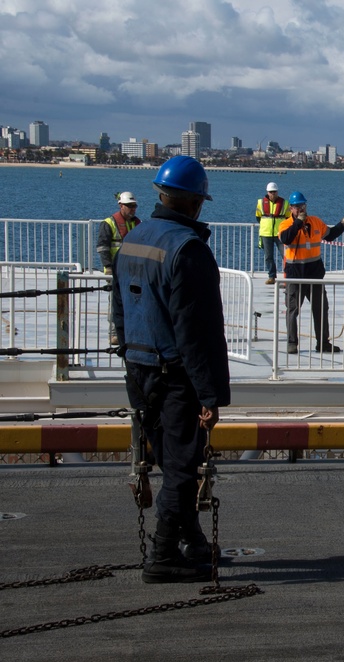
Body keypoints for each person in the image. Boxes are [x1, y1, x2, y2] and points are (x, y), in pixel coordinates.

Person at [112, 155, 228, 583]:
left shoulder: (134, 237)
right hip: (176, 374)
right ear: (196, 203)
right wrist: (210, 395)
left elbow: (120, 310)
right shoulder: (188, 249)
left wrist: (130, 359)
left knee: (167, 457)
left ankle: (193, 544)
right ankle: (163, 554)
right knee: (182, 466)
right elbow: (197, 332)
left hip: (139, 370)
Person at [278, 191, 344, 354]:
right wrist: (297, 224)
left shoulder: (315, 222)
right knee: (292, 310)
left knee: (321, 309)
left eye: (303, 206)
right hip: (295, 274)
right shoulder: (285, 224)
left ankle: (323, 343)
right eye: (297, 207)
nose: (301, 209)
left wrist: (343, 224)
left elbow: (330, 235)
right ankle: (292, 343)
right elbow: (286, 239)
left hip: (314, 273)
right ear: (291, 209)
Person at [98, 191, 141, 345]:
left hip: (133, 272)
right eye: (129, 206)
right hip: (115, 272)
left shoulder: (137, 223)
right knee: (115, 304)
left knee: (135, 302)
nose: (133, 209)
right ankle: (115, 334)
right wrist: (108, 267)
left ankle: (132, 332)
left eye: (134, 206)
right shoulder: (109, 223)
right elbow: (102, 247)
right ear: (121, 206)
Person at [255, 182, 289, 285]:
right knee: (268, 256)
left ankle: (287, 278)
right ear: (267, 192)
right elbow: (258, 216)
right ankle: (272, 277)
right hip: (266, 233)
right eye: (271, 192)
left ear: (277, 192)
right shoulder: (261, 203)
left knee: (286, 256)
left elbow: (288, 218)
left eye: (274, 192)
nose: (272, 194)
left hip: (280, 234)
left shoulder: (284, 203)